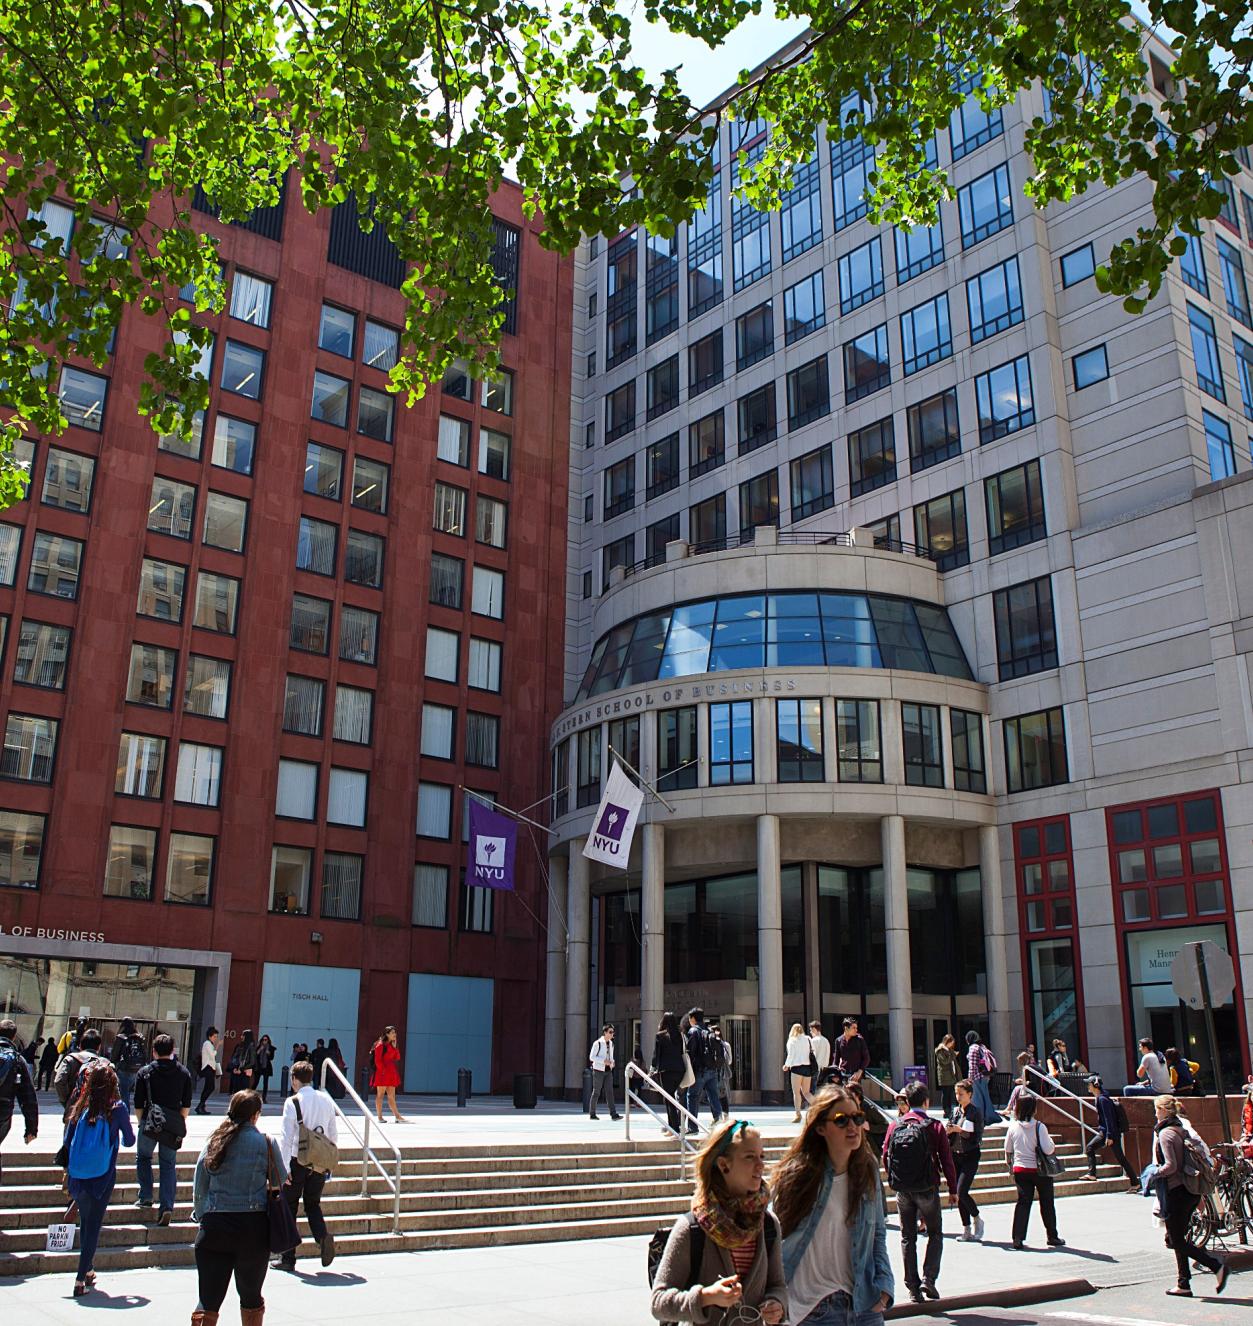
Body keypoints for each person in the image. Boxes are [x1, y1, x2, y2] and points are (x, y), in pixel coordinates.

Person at [773, 1085, 894, 1324]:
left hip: (863, 1303)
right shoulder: (798, 1175)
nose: (853, 1126)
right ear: (820, 1128)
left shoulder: (867, 1167)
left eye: (857, 1117)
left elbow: (877, 1233)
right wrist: (774, 1297)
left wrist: (884, 1284)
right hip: (813, 1309)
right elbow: (773, 1240)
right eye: (841, 1120)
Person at [651, 1117, 785, 1324]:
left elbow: (777, 1285)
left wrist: (777, 1304)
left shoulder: (767, 1223)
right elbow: (659, 1303)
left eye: (762, 1156)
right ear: (724, 1165)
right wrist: (705, 1297)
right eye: (750, 1157)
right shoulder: (692, 1227)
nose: (761, 1165)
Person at [192, 1090, 287, 1326]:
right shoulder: (265, 1142)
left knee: (208, 1300)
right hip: (252, 1227)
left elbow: (199, 1184)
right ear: (255, 1115)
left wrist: (203, 1214)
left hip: (215, 1225)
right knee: (251, 1297)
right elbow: (280, 1179)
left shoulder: (215, 1140)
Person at [62, 1061, 135, 1297]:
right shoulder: (118, 1108)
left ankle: (89, 1268)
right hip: (103, 1173)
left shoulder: (80, 1106)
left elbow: (67, 1141)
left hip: (78, 1174)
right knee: (93, 1225)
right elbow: (130, 1140)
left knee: (86, 1222)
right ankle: (80, 1278)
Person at [882, 1081, 957, 1303]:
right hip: (927, 1187)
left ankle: (913, 1288)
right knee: (934, 1233)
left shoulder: (895, 1125)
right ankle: (929, 1279)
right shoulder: (934, 1126)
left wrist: (894, 1177)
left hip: (903, 1189)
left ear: (907, 1102)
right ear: (926, 1102)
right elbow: (947, 1160)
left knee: (907, 1237)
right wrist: (953, 1188)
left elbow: (886, 1154)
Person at [1152, 1093, 1228, 1297]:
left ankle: (1216, 1266)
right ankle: (1183, 1283)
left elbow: (1171, 1166)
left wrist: (1152, 1173)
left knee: (1174, 1240)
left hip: (1176, 1191)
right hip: (1189, 1191)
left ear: (1163, 1111)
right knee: (1178, 1237)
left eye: (1157, 1109)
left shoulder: (1166, 1133)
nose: (1155, 1114)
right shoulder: (1181, 1128)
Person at [273, 1061, 338, 1271]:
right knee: (313, 1203)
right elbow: (332, 1135)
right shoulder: (326, 1100)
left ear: (294, 1078)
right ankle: (322, 1236)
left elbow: (286, 1137)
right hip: (319, 1161)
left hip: (297, 1160)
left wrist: (284, 1170)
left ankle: (288, 1258)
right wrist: (329, 1165)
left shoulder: (293, 1102)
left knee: (289, 1206)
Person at [134, 1032, 194, 1224]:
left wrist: (142, 1122)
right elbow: (186, 1104)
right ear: (173, 1051)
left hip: (150, 1121)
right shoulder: (184, 1073)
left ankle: (146, 1196)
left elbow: (137, 1103)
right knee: (168, 1164)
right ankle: (167, 1206)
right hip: (172, 1125)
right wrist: (178, 1121)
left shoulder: (145, 1072)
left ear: (154, 1052)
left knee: (144, 1157)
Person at [1003, 1092, 1064, 1250]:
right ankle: (1052, 1236)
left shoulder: (1013, 1127)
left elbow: (1007, 1149)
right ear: (1033, 1109)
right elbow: (1048, 1149)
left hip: (1021, 1170)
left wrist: (1010, 1164)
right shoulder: (1039, 1127)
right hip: (1040, 1171)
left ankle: (1017, 1238)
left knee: (1023, 1203)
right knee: (1047, 1203)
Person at [0, 1018, 38, 1186]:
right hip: (2, 1112)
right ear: (14, 1037)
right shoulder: (17, 1059)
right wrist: (31, 1128)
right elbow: (28, 1097)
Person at [947, 1078, 985, 1241]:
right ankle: (966, 1228)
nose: (958, 1097)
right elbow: (950, 1127)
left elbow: (976, 1136)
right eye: (956, 1094)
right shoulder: (956, 1112)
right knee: (958, 1193)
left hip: (970, 1155)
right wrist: (949, 1130)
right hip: (955, 1155)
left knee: (962, 1190)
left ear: (970, 1094)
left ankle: (977, 1218)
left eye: (961, 1094)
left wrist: (960, 1130)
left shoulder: (975, 1112)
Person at [1085, 1075, 1138, 1187]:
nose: (1087, 1086)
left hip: (1108, 1133)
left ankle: (1135, 1183)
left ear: (1095, 1085)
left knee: (1091, 1148)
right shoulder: (1102, 1098)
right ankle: (1092, 1173)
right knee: (1119, 1158)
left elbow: (1109, 1118)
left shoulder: (1102, 1099)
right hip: (1109, 1132)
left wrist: (1109, 1136)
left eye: (1089, 1084)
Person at [55, 1027, 106, 1120]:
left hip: (73, 1111)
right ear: (99, 1047)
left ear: (80, 1045)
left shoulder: (70, 1059)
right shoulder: (105, 1063)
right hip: (97, 1113)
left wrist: (68, 1101)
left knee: (71, 1133)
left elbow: (59, 1081)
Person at [684, 1008, 723, 1130]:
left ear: (693, 1018)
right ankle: (719, 1121)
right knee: (713, 1095)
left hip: (699, 1071)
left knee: (692, 1096)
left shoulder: (693, 1031)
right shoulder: (708, 1030)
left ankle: (692, 1126)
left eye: (690, 1018)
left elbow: (690, 1052)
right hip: (712, 1069)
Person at [651, 1011, 688, 1136]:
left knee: (669, 1099)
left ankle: (674, 1128)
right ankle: (673, 1126)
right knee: (672, 1097)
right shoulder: (680, 1035)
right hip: (679, 1070)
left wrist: (652, 1069)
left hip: (666, 1071)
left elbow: (656, 1055)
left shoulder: (660, 1036)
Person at [109, 1017, 147, 1113]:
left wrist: (114, 1064)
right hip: (137, 1068)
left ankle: (125, 1113)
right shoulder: (140, 1037)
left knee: (124, 1092)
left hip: (124, 1069)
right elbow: (145, 1054)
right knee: (129, 1091)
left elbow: (114, 1055)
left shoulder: (121, 1037)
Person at [370, 1025, 405, 1123]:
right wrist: (383, 1071)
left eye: (395, 1032)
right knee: (380, 1095)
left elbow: (397, 1057)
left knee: (391, 1095)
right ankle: (380, 1117)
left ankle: (397, 1116)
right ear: (387, 1034)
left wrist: (395, 1047)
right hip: (382, 1072)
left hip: (390, 1072)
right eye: (393, 1033)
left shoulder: (391, 1045)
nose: (395, 1034)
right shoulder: (380, 1044)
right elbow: (377, 1060)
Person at [783, 1023, 816, 1122]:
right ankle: (820, 1107)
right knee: (806, 1092)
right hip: (807, 1068)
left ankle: (798, 1114)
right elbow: (813, 1052)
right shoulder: (808, 1039)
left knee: (796, 1093)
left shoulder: (792, 1040)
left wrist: (786, 1065)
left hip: (796, 1068)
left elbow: (791, 1054)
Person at [588, 1024, 621, 1121]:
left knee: (610, 1092)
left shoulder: (611, 1044)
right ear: (605, 1032)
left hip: (608, 1071)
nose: (612, 1034)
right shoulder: (597, 1043)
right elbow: (592, 1057)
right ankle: (592, 1113)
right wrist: (603, 1061)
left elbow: (611, 1056)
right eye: (610, 1032)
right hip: (598, 1070)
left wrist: (612, 1062)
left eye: (613, 1032)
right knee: (596, 1092)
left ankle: (613, 1114)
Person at [965, 1030, 997, 1122]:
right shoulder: (982, 1046)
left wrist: (970, 1078)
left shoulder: (972, 1048)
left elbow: (972, 1065)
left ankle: (979, 1118)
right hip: (985, 1076)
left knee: (977, 1098)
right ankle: (988, 1117)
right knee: (985, 1097)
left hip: (977, 1077)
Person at [833, 1017, 869, 1086]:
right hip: (843, 1074)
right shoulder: (838, 1040)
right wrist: (835, 1073)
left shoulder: (859, 1040)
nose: (856, 1030)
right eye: (854, 1028)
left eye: (856, 1028)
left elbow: (867, 1058)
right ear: (846, 1028)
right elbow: (836, 1059)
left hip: (855, 1075)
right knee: (844, 1095)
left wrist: (860, 1071)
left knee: (855, 1095)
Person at [933, 1034, 959, 1115]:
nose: (952, 1045)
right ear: (946, 1042)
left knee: (951, 1093)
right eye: (951, 1043)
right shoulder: (940, 1050)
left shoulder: (950, 1050)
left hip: (951, 1075)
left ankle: (950, 1109)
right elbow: (945, 1061)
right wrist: (954, 1055)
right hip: (944, 1075)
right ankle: (946, 1110)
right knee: (946, 1093)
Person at [197, 1028, 221, 1115]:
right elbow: (212, 1055)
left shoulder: (209, 1044)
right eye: (214, 1036)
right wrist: (217, 1046)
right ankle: (201, 1105)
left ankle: (201, 1106)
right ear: (210, 1036)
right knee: (210, 1087)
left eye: (216, 1037)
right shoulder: (207, 1043)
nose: (215, 1038)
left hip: (210, 1068)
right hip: (208, 1068)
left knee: (208, 1087)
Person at [710, 1026, 732, 1115]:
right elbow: (730, 1061)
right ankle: (724, 1115)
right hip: (722, 1074)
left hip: (716, 1073)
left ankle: (718, 1117)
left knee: (714, 1094)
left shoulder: (711, 1044)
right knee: (722, 1095)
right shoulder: (725, 1045)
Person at [808, 1022, 833, 1088]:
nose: (810, 1032)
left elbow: (812, 1056)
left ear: (814, 1029)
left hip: (815, 1070)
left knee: (813, 1092)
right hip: (825, 1069)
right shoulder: (826, 1040)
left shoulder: (813, 1041)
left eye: (811, 1030)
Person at [256, 1036, 276, 1104]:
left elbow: (271, 1058)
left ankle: (264, 1098)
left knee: (265, 1083)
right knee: (256, 1082)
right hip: (259, 1066)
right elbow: (255, 1055)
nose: (264, 1041)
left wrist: (268, 1053)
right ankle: (249, 1095)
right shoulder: (259, 1046)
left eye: (266, 1040)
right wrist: (260, 1049)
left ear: (268, 1040)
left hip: (266, 1067)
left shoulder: (271, 1048)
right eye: (263, 1039)